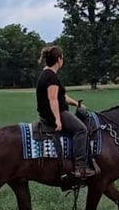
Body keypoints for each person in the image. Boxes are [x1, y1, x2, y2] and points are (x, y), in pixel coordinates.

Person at [36, 45, 96, 179]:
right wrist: (57, 119)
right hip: (53, 115)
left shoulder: (47, 73)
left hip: (52, 112)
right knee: (81, 129)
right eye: (62, 58)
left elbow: (61, 97)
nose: (63, 60)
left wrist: (77, 103)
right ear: (59, 59)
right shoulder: (51, 77)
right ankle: (81, 167)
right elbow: (53, 100)